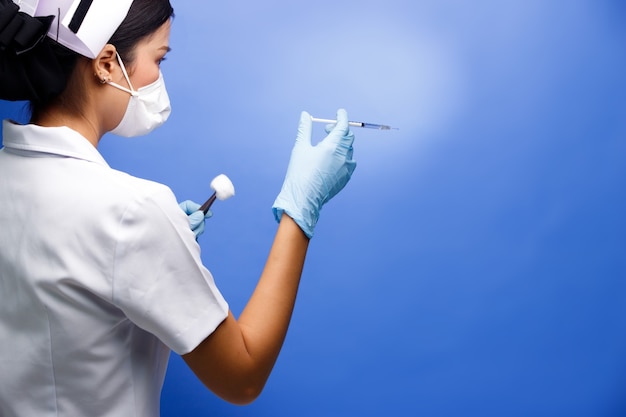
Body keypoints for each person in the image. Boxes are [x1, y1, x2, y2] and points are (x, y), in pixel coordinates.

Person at [0, 0, 356, 416]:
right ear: (107, 64)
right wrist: (301, 207)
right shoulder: (132, 211)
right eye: (158, 59)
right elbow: (243, 376)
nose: (158, 78)